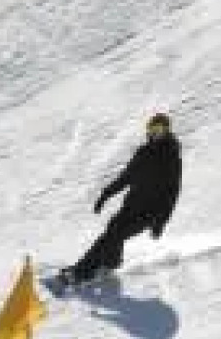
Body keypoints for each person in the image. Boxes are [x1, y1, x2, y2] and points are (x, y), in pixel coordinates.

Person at [58, 113, 183, 286]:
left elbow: (172, 193)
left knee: (113, 236)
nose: (155, 133)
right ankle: (109, 264)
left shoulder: (172, 157)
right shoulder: (143, 152)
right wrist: (105, 194)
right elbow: (125, 178)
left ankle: (81, 272)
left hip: (149, 213)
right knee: (111, 232)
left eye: (160, 130)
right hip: (130, 207)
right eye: (152, 129)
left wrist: (160, 222)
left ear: (167, 131)